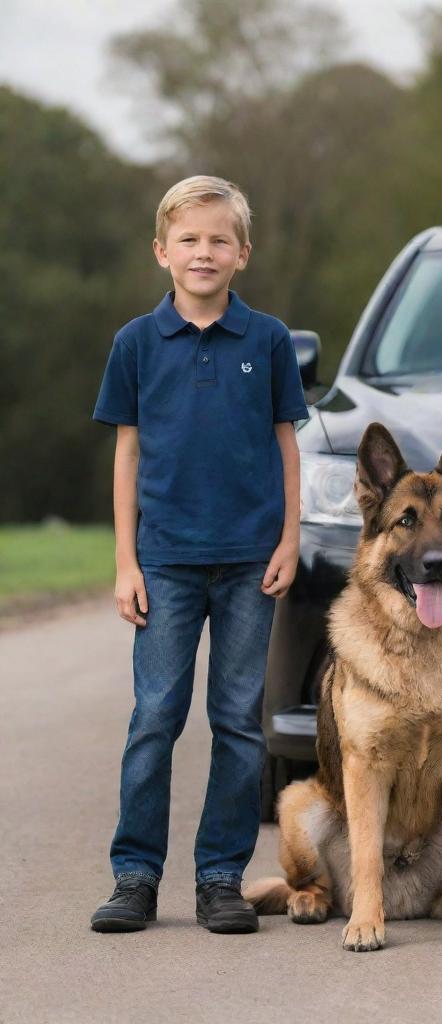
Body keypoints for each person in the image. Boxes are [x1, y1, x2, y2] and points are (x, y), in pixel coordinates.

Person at [89, 175, 308, 934]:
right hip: (166, 563)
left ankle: (221, 877)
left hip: (251, 561)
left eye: (219, 240)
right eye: (189, 239)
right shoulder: (136, 344)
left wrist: (289, 539)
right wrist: (127, 561)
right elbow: (127, 456)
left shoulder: (270, 341)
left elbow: (287, 445)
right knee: (155, 716)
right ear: (162, 252)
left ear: (242, 253)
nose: (203, 252)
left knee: (239, 721)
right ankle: (135, 876)